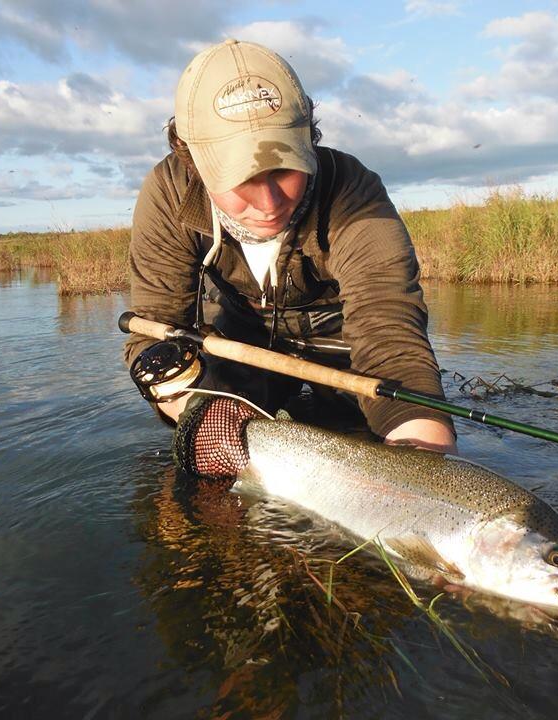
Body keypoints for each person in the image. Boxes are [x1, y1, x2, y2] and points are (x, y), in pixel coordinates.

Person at [124, 38, 455, 454]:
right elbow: (152, 329)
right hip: (240, 340)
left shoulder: (354, 191)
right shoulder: (170, 192)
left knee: (382, 433)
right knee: (207, 440)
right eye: (239, 177)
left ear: (309, 140)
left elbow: (390, 336)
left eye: (285, 167)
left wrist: (427, 458)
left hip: (345, 346)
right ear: (193, 162)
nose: (268, 204)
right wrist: (204, 417)